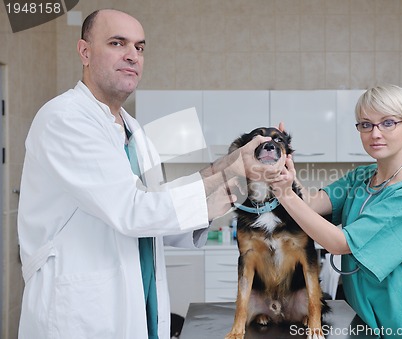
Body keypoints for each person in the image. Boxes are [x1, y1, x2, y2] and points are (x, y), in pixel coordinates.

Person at [17, 9, 283, 339]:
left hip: (135, 306)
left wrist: (238, 172)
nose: (132, 56)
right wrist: (229, 172)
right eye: (117, 43)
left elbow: (158, 207)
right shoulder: (64, 119)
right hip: (79, 314)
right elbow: (134, 211)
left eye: (140, 48)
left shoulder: (135, 131)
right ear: (84, 52)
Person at [272, 85, 402, 338]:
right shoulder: (363, 176)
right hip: (367, 320)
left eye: (388, 123)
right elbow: (310, 204)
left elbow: (339, 243)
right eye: (366, 124)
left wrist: (284, 193)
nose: (375, 133)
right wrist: (286, 172)